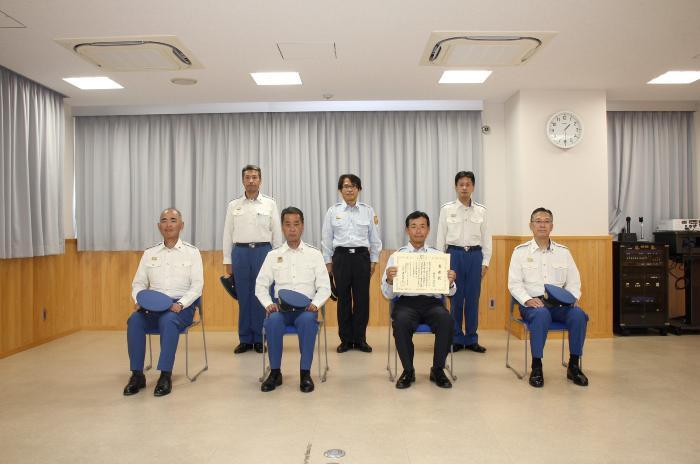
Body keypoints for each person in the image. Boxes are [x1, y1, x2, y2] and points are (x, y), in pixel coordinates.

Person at [124, 208, 204, 397]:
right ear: (159, 226)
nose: (168, 224)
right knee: (134, 320)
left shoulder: (192, 253)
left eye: (173, 220)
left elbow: (197, 286)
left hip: (180, 307)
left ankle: (165, 375)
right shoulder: (149, 253)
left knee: (168, 320)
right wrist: (139, 300)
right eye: (164, 220)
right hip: (152, 305)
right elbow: (139, 283)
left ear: (181, 225)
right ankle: (137, 375)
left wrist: (182, 304)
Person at [507, 207, 589, 388]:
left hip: (561, 305)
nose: (542, 225)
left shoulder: (563, 252)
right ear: (531, 225)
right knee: (541, 315)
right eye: (538, 221)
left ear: (552, 226)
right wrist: (527, 300)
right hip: (533, 304)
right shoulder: (520, 252)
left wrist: (573, 298)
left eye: (546, 221)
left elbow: (574, 281)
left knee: (579, 315)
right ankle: (537, 366)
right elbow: (514, 284)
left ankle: (574, 365)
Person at [255, 207, 331, 393]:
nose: (292, 229)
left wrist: (315, 304)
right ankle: (275, 373)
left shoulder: (314, 255)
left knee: (307, 322)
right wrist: (268, 304)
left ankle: (305, 373)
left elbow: (324, 287)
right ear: (282, 227)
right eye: (287, 225)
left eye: (296, 224)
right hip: (281, 310)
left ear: (302, 226)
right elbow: (261, 285)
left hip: (306, 309)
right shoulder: (273, 256)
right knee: (272, 322)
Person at [382, 211, 457, 389]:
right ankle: (408, 370)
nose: (418, 231)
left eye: (422, 226)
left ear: (428, 230)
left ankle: (437, 369)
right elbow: (387, 294)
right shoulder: (397, 256)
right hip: (406, 303)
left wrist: (451, 282)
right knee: (400, 322)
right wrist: (389, 280)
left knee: (447, 320)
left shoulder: (437, 256)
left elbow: (451, 293)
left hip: (432, 303)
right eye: (414, 227)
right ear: (407, 230)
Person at [222, 165, 283, 354]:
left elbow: (277, 233)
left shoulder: (270, 204)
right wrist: (227, 260)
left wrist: (278, 258)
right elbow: (227, 233)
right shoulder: (234, 205)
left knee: (261, 296)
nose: (251, 181)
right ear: (242, 180)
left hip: (263, 252)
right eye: (247, 177)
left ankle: (259, 338)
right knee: (244, 297)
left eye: (254, 177)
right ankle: (245, 339)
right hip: (240, 253)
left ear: (260, 180)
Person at [321, 174, 382, 353]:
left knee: (362, 300)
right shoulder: (333, 211)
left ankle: (360, 339)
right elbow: (326, 239)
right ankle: (346, 340)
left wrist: (374, 260)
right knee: (344, 301)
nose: (350, 189)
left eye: (353, 186)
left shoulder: (368, 211)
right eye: (346, 186)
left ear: (359, 189)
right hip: (341, 258)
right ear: (340, 190)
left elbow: (375, 238)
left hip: (362, 258)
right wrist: (328, 263)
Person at [436, 170, 492, 353]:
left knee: (473, 299)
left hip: (475, 256)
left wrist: (486, 262)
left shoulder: (481, 211)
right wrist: (441, 263)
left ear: (473, 187)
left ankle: (471, 339)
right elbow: (440, 238)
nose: (464, 187)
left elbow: (487, 239)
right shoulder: (447, 209)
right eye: (461, 184)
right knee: (456, 298)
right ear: (455, 187)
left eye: (468, 184)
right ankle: (456, 338)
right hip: (454, 255)